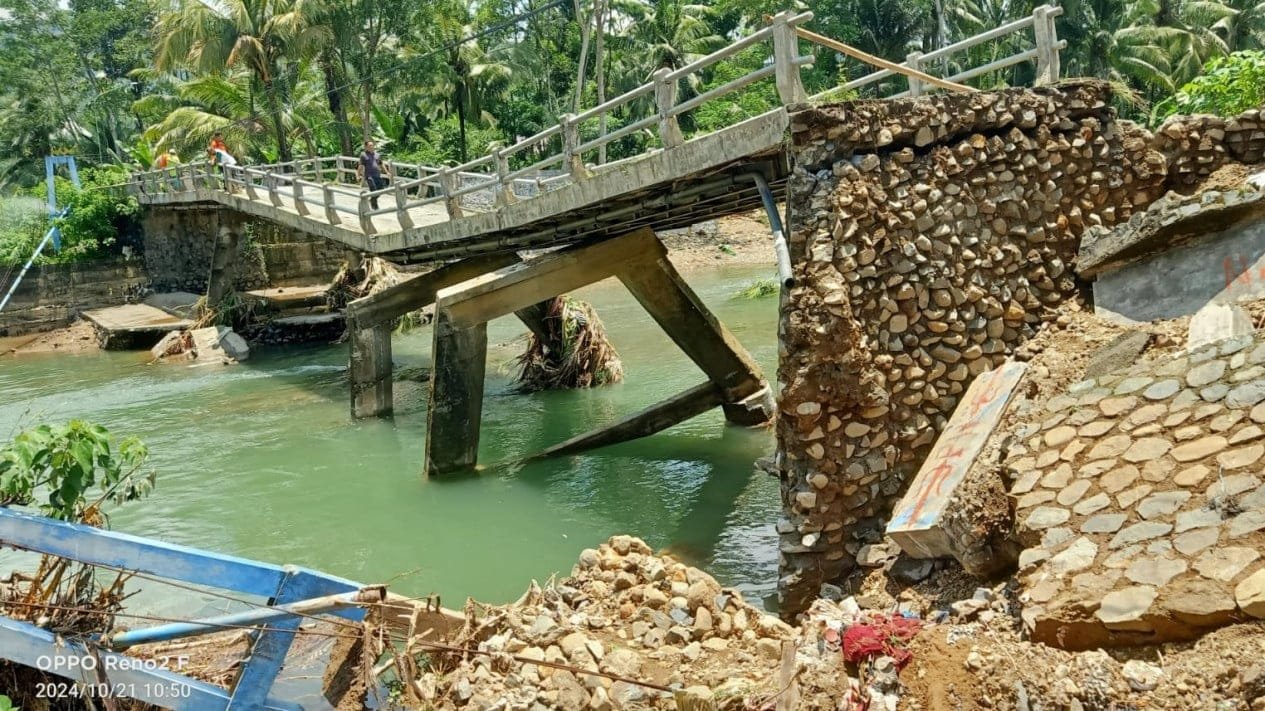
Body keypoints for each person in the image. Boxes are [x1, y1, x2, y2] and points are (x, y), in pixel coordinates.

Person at [356, 140, 391, 209]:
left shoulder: (377, 154)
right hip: (369, 176)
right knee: (374, 190)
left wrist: (387, 172)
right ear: (366, 147)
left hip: (377, 175)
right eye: (370, 145)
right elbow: (360, 166)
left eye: (372, 145)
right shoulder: (363, 155)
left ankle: (372, 200)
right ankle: (375, 206)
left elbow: (381, 164)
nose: (371, 147)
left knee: (381, 190)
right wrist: (358, 175)